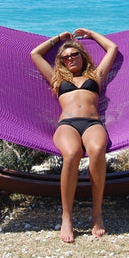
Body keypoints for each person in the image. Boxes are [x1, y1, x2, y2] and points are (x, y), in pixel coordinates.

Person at [30, 28, 118, 243]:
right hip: (67, 125)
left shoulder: (95, 76)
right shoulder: (57, 79)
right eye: (65, 57)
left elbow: (112, 48)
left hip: (93, 123)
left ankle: (96, 213)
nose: (70, 59)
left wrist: (90, 33)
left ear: (82, 56)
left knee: (97, 151)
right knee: (72, 154)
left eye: (74, 54)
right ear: (61, 62)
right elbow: (35, 54)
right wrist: (60, 38)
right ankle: (66, 217)